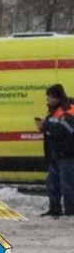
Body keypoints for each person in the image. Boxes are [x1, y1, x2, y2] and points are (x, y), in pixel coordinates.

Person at [36, 84, 74, 218]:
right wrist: (44, 127)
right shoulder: (53, 110)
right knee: (52, 184)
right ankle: (55, 209)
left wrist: (46, 126)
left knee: (68, 185)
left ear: (57, 96)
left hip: (67, 153)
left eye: (49, 96)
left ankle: (70, 211)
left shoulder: (68, 109)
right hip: (55, 154)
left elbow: (67, 130)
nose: (47, 99)